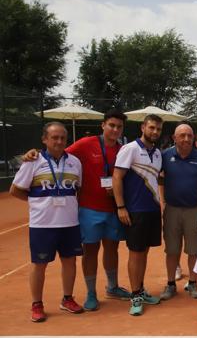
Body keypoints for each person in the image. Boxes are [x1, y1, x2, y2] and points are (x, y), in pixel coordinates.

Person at [21, 109, 132, 311]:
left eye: (119, 127)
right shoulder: (85, 143)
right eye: (112, 125)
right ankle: (91, 292)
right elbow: (57, 152)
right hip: (89, 209)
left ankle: (113, 286)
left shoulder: (123, 149)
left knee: (112, 248)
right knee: (90, 250)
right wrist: (33, 153)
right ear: (103, 125)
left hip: (113, 208)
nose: (115, 129)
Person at [10, 122, 84, 322]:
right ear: (45, 139)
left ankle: (67, 299)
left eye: (63, 138)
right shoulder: (32, 162)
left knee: (70, 261)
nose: (59, 141)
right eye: (54, 137)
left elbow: (79, 188)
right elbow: (15, 190)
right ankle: (37, 304)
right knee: (39, 264)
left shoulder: (75, 162)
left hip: (69, 222)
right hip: (42, 224)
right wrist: (37, 202)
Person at [112, 114, 164, 316]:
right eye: (151, 128)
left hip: (152, 210)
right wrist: (121, 207)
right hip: (134, 210)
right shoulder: (130, 149)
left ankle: (140, 289)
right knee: (135, 252)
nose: (155, 132)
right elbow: (117, 177)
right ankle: (135, 295)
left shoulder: (158, 153)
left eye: (158, 129)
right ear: (143, 127)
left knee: (144, 252)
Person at [159, 124, 197, 301]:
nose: (186, 139)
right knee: (172, 250)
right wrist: (162, 202)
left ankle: (192, 283)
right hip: (172, 210)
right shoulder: (165, 156)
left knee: (194, 250)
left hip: (195, 210)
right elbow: (160, 180)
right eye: (182, 136)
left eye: (189, 135)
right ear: (174, 138)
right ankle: (170, 284)